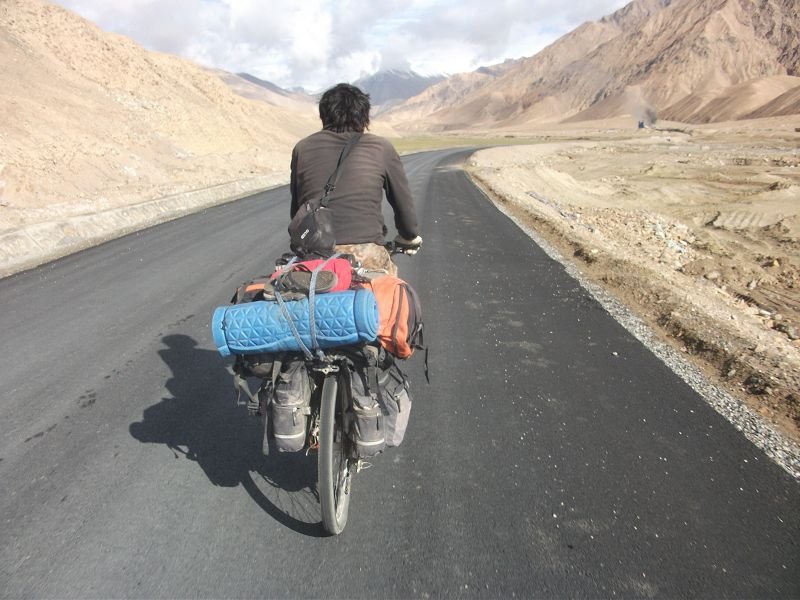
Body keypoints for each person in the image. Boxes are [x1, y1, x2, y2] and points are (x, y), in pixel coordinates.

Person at [289, 83, 422, 276]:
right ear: (364, 116)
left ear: (323, 115)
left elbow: (297, 211)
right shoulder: (381, 148)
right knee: (393, 291)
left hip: (314, 258)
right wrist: (409, 236)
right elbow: (404, 206)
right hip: (366, 255)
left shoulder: (302, 148)